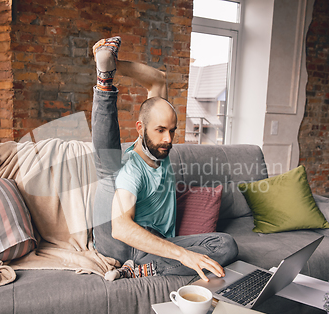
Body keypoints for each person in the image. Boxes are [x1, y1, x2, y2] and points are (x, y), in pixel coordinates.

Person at [91, 37, 238, 282]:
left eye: (172, 130)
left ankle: (142, 269)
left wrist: (116, 64)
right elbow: (120, 228)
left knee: (226, 244)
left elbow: (158, 80)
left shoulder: (160, 145)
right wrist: (184, 256)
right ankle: (104, 83)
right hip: (121, 242)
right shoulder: (131, 170)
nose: (168, 139)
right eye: (160, 130)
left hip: (156, 245)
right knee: (109, 171)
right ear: (141, 128)